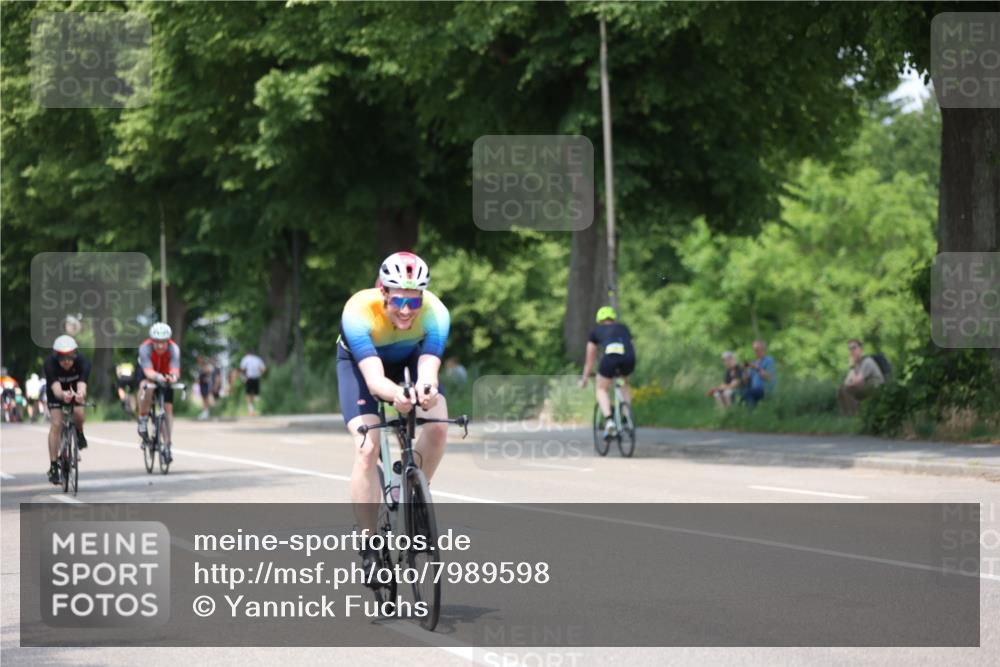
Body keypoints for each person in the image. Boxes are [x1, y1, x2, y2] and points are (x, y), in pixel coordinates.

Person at [338, 251, 450, 575]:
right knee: (367, 447)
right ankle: (368, 540)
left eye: (413, 303)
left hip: (407, 359)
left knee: (439, 425)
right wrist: (397, 395)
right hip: (361, 366)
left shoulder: (436, 313)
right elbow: (374, 380)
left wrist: (425, 390)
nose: (405, 311)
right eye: (398, 301)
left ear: (423, 298)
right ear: (382, 291)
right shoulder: (358, 311)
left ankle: (415, 498)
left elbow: (429, 369)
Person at [578, 306, 635, 436]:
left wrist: (584, 378)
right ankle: (626, 419)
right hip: (628, 360)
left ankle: (609, 420)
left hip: (610, 360)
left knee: (601, 389)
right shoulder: (623, 328)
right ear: (613, 319)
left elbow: (590, 360)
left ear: (599, 320)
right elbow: (631, 346)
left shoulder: (596, 331)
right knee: (624, 384)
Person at [43, 336, 91, 484]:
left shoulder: (83, 362)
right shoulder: (49, 364)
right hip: (56, 393)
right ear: (56, 357)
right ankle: (53, 466)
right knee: (56, 424)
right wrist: (63, 396)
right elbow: (57, 391)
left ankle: (79, 433)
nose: (66, 361)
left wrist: (80, 394)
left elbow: (82, 385)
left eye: (70, 358)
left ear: (75, 355)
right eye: (62, 358)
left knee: (78, 412)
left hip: (75, 390)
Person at [136, 323, 181, 463]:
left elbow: (175, 370)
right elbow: (148, 372)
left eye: (163, 342)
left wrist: (172, 378)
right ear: (152, 340)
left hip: (165, 373)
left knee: (167, 409)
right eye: (157, 342)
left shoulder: (174, 348)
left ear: (168, 341)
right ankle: (143, 418)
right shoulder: (145, 348)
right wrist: (158, 377)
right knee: (147, 387)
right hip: (147, 372)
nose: (160, 346)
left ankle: (167, 444)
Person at [837, 339, 885, 416]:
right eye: (850, 349)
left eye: (854, 348)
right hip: (865, 387)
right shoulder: (857, 364)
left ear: (861, 349)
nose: (852, 351)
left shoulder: (867, 361)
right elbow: (846, 383)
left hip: (876, 387)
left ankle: (854, 414)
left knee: (847, 389)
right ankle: (850, 414)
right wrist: (853, 368)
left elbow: (856, 382)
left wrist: (852, 367)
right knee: (842, 389)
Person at [741, 339, 777, 408]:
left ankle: (752, 413)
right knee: (742, 392)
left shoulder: (769, 360)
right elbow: (747, 381)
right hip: (755, 390)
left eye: (757, 349)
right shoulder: (754, 362)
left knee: (747, 393)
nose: (755, 352)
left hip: (766, 389)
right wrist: (744, 370)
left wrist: (756, 367)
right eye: (754, 350)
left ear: (764, 349)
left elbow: (767, 377)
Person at [238, 350, 267, 416]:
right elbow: (263, 369)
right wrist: (260, 375)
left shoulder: (245, 359)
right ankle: (256, 409)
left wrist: (243, 377)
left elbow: (242, 369)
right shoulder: (258, 359)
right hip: (256, 378)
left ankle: (251, 410)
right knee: (256, 394)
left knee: (248, 394)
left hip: (249, 378)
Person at [196, 356, 218, 420]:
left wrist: (206, 377)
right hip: (201, 384)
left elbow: (209, 371)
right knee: (203, 399)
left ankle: (207, 412)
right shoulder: (199, 367)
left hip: (205, 385)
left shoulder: (205, 366)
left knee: (206, 398)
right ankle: (204, 412)